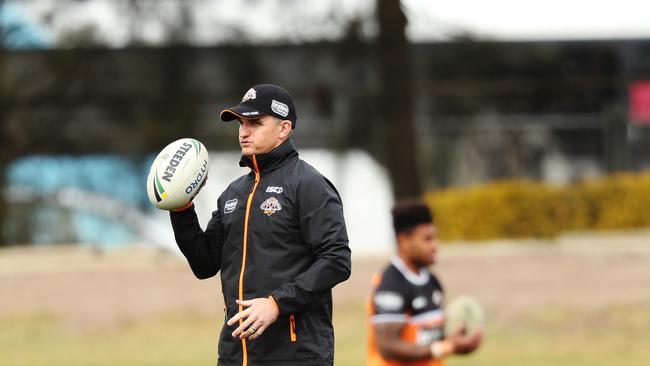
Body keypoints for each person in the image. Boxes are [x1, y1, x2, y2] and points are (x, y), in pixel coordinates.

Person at [169, 84, 351, 366]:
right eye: (241, 123)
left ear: (284, 128)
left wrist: (276, 304)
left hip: (296, 355)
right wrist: (181, 208)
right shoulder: (233, 193)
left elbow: (337, 260)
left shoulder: (308, 184)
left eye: (255, 122)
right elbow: (204, 263)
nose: (244, 130)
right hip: (234, 356)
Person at [367, 200, 482, 366]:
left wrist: (456, 342)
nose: (435, 245)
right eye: (427, 239)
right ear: (403, 240)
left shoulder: (432, 281)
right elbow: (387, 346)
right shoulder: (390, 284)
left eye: (435, 238)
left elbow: (431, 339)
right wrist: (444, 347)